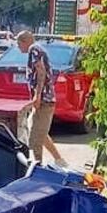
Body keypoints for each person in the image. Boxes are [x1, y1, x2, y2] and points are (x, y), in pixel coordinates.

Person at [17, 31, 67, 165]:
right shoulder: (38, 49)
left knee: (34, 140)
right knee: (40, 131)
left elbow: (41, 72)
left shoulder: (34, 50)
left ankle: (36, 169)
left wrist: (37, 95)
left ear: (25, 41)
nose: (18, 47)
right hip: (44, 99)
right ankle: (59, 159)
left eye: (19, 43)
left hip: (44, 100)